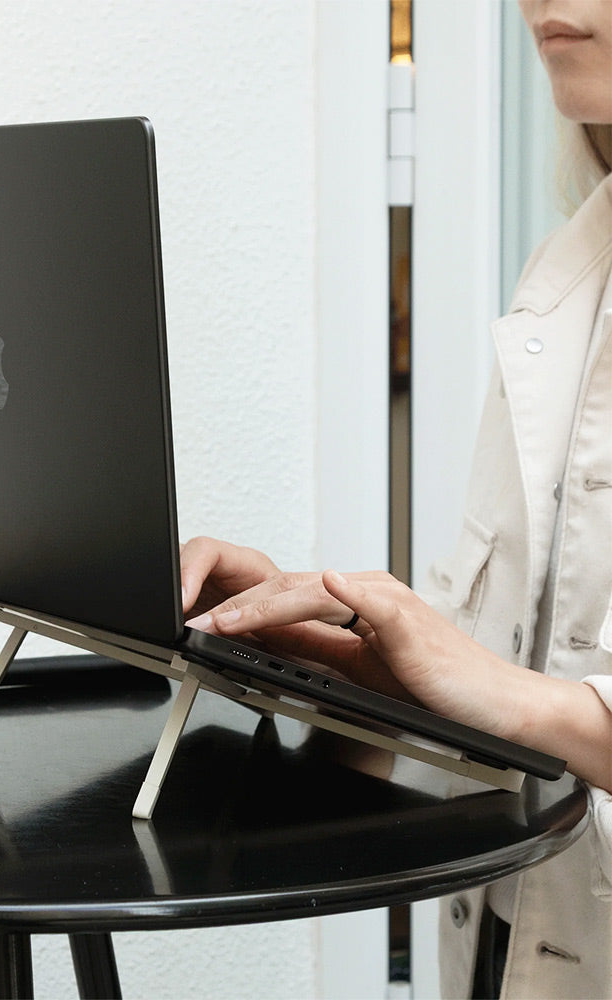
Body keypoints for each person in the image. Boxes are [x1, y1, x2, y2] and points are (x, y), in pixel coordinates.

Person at [180, 2, 611, 996]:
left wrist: (487, 687)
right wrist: (347, 655)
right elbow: (504, 678)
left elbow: (510, 695)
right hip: (509, 932)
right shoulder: (563, 278)